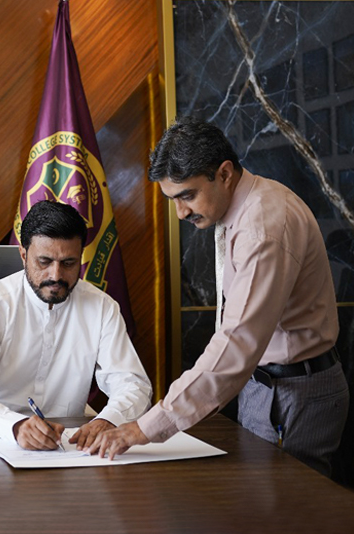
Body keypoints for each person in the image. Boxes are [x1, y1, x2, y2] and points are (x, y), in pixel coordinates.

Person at [89, 117, 349, 477]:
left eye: (187, 195)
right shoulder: (242, 206)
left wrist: (144, 427)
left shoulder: (262, 228)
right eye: (173, 199)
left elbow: (237, 343)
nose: (180, 212)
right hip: (268, 385)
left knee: (288, 516)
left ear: (224, 174)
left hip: (294, 393)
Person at [0, 200, 152, 450]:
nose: (56, 276)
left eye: (68, 263)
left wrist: (109, 419)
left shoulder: (102, 308)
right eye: (44, 262)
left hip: (66, 443)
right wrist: (14, 425)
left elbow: (132, 384)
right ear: (24, 255)